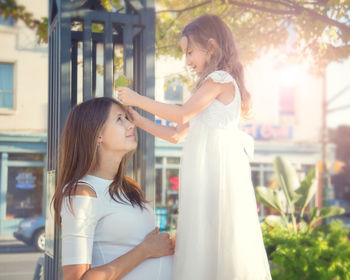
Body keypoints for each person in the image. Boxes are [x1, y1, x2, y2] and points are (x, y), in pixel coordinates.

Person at [117, 14, 271, 280]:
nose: (187, 61)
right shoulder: (209, 86)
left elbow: (182, 115)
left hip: (218, 171)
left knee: (217, 236)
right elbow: (176, 134)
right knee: (207, 235)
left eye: (190, 52)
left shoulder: (220, 79)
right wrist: (140, 121)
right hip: (207, 171)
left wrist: (137, 99)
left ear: (211, 46)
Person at [52, 97, 174, 280]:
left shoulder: (128, 187)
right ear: (97, 134)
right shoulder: (82, 193)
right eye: (119, 119)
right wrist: (145, 250)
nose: (130, 125)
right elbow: (75, 278)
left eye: (127, 118)